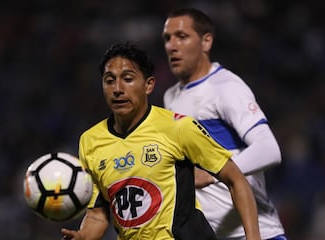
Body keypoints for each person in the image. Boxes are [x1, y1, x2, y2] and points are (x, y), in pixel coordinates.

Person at [60, 42, 261, 240]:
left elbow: (236, 179)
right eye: (109, 80)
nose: (117, 89)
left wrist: (253, 237)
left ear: (148, 85)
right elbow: (97, 215)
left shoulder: (178, 128)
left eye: (128, 79)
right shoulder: (90, 141)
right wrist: (83, 236)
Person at [162, 8, 287, 240]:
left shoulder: (226, 87)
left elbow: (269, 149)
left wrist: (212, 173)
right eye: (167, 38)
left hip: (258, 233)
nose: (172, 46)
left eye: (182, 36)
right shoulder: (170, 97)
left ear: (206, 41)